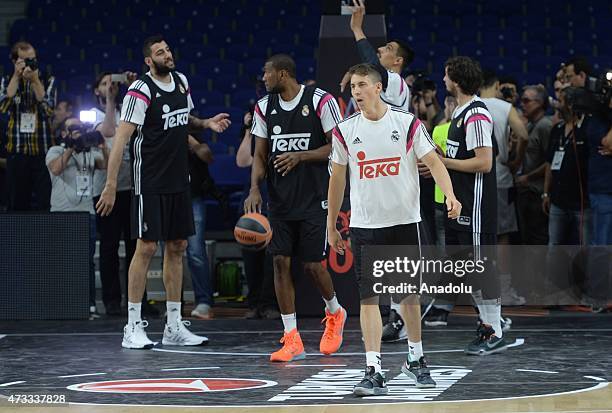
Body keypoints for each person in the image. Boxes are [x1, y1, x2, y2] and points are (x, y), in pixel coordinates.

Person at [328, 63, 461, 395]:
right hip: (365, 226)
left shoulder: (406, 124)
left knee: (408, 296)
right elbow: (337, 178)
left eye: (361, 85)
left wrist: (451, 196)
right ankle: (373, 370)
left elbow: (433, 162)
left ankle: (415, 359)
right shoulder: (345, 130)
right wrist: (332, 225)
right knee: (369, 299)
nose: (355, 92)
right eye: (352, 87)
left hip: (404, 223)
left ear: (376, 88)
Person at [96, 34, 231, 349]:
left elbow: (183, 120)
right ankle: (132, 326)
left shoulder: (182, 81)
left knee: (178, 246)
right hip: (150, 181)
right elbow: (121, 139)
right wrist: (112, 183)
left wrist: (206, 123)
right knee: (145, 248)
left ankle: (173, 325)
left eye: (168, 49)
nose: (167, 54)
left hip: (178, 180)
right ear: (148, 60)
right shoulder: (140, 90)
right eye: (160, 52)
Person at [244, 54, 346, 362]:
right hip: (280, 200)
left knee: (313, 266)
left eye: (267, 73)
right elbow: (260, 155)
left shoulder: (320, 100)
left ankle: (335, 311)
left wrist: (301, 156)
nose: (264, 78)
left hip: (316, 197)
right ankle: (292, 338)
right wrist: (254, 189)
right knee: (279, 263)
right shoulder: (264, 107)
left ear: (283, 74)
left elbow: (338, 146)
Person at [440, 56, 506, 355]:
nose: (443, 80)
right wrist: (439, 160)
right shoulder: (460, 112)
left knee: (481, 268)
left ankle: (495, 329)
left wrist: (444, 162)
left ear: (456, 79)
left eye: (446, 75)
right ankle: (489, 321)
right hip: (462, 203)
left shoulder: (476, 114)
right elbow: (461, 156)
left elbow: (484, 162)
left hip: (476, 206)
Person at [46, 117, 108, 318]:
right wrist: (72, 147)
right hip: (61, 214)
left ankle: (88, 304)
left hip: (86, 213)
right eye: (74, 129)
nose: (79, 132)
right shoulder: (55, 151)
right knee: (60, 260)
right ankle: (60, 303)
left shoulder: (90, 154)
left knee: (86, 261)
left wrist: (102, 144)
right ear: (64, 133)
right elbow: (55, 169)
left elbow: (105, 164)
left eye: (81, 129)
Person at [1, 41, 56, 211]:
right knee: (17, 204)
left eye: (32, 60)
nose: (30, 64)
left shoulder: (47, 79)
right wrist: (17, 77)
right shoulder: (6, 80)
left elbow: (48, 110)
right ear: (15, 61)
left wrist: (34, 81)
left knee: (44, 204)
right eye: (25, 60)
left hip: (43, 153)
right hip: (17, 152)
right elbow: (3, 107)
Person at [236, 109, 279, 319]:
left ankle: (269, 303)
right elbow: (243, 161)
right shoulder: (253, 135)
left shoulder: (279, 134)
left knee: (273, 258)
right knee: (251, 256)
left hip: (275, 201)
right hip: (252, 203)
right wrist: (248, 130)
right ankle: (253, 303)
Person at [341, 0, 413, 112]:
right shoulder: (382, 82)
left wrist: (357, 29)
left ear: (398, 60)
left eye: (388, 48)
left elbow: (373, 64)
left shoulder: (396, 81)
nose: (380, 49)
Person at [516, 85, 552, 245]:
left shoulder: (545, 126)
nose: (522, 104)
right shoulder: (530, 125)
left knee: (537, 239)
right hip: (525, 192)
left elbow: (550, 162)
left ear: (539, 103)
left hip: (536, 192)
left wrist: (528, 177)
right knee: (526, 239)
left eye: (526, 101)